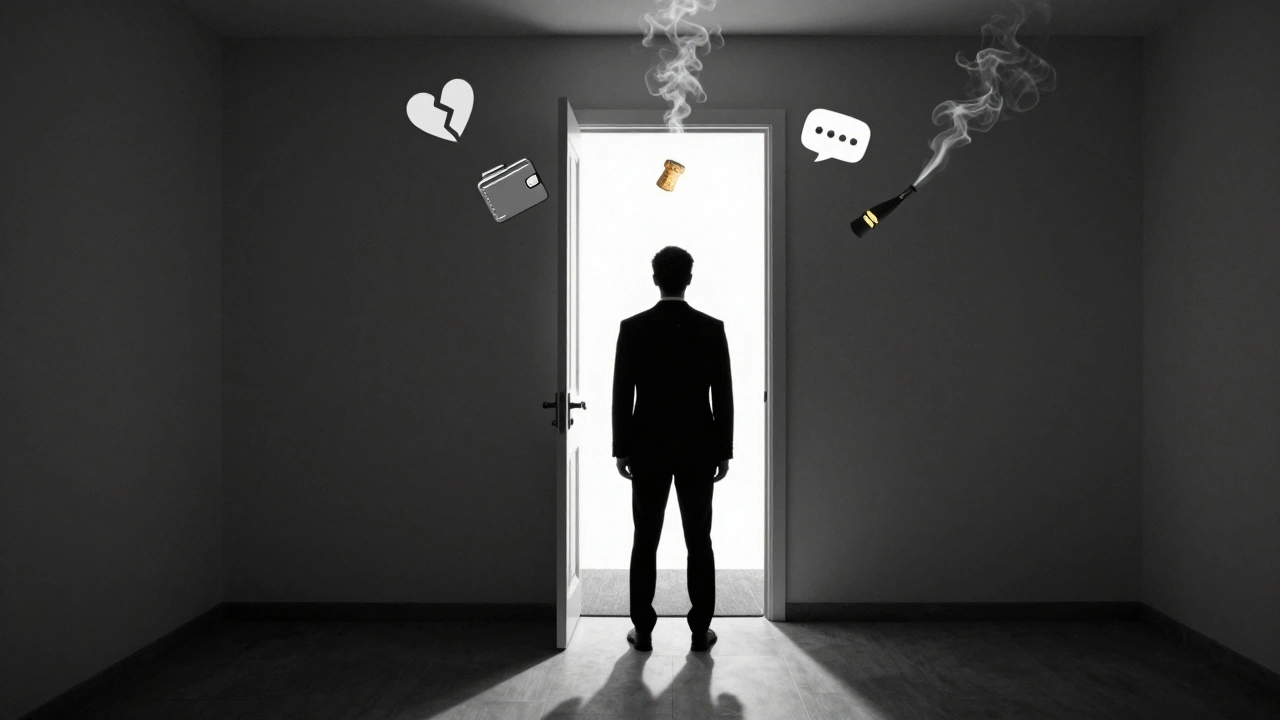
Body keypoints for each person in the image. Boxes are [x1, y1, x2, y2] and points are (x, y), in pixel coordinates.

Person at [612, 246, 733, 653]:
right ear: (690, 278)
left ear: (655, 278)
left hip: (648, 446)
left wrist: (622, 448)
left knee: (645, 537)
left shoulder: (633, 328)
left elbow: (622, 394)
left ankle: (643, 630)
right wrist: (724, 449)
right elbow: (723, 396)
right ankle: (700, 630)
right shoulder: (711, 328)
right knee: (699, 538)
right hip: (699, 446)